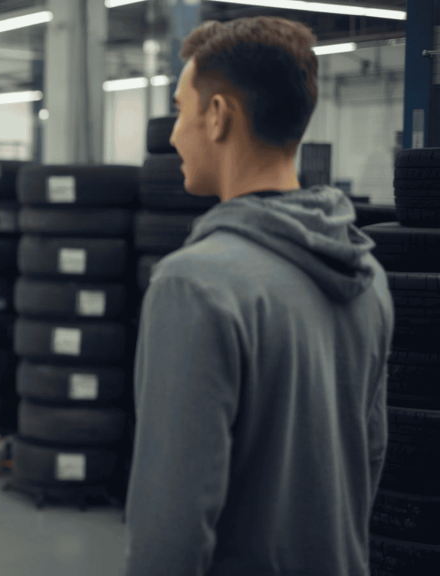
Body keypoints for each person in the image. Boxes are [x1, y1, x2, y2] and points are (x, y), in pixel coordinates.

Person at [125, 16, 393, 576]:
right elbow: (367, 463)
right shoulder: (367, 273)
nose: (173, 134)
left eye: (180, 109)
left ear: (218, 116)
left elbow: (171, 531)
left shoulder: (194, 285)